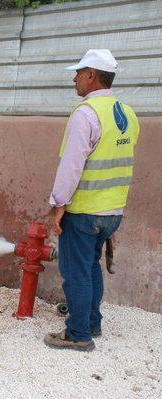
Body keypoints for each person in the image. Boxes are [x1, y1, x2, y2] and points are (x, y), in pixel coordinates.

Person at [44, 49, 139, 351]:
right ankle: (92, 323)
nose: (74, 78)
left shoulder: (86, 114)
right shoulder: (127, 113)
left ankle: (77, 334)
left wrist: (58, 204)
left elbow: (72, 164)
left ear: (91, 76)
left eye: (78, 72)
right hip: (112, 211)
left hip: (85, 210)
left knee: (76, 273)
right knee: (92, 267)